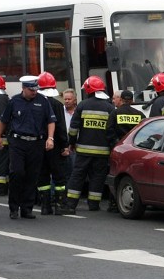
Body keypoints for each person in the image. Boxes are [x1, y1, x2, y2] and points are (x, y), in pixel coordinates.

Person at [0, 75, 56, 219]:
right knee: (17, 173)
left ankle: (27, 209)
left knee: (32, 175)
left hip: (36, 143)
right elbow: (3, 120)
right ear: (23, 88)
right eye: (31, 90)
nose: (34, 92)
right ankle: (14, 208)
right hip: (18, 142)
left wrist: (50, 138)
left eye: (36, 89)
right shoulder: (14, 101)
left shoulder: (43, 101)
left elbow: (51, 121)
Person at [59, 76, 114, 214]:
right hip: (103, 152)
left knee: (77, 176)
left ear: (89, 90)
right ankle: (94, 204)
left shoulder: (83, 105)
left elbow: (73, 128)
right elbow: (111, 131)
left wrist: (71, 143)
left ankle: (71, 204)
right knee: (98, 177)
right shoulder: (110, 107)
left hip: (83, 150)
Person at [35, 71, 70, 215]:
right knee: (59, 176)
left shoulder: (34, 103)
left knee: (42, 175)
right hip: (54, 145)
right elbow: (61, 127)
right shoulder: (56, 104)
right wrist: (65, 145)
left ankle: (45, 206)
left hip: (38, 145)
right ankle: (60, 205)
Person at [105, 89, 144, 212]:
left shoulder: (115, 114)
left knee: (115, 175)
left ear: (121, 99)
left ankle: (114, 204)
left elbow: (109, 132)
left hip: (119, 149)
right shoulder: (139, 115)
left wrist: (116, 144)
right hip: (135, 150)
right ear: (132, 100)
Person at [62, 88, 78, 181]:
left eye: (69, 99)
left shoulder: (79, 112)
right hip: (63, 143)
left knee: (74, 170)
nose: (67, 101)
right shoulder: (60, 111)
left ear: (75, 100)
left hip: (75, 144)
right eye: (65, 99)